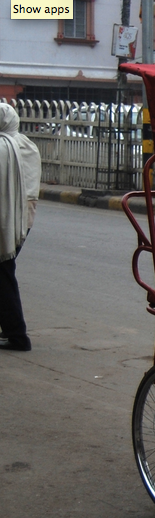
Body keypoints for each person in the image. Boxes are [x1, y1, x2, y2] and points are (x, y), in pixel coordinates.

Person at [0, 103, 41, 352]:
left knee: (3, 275)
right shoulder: (27, 145)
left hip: (5, 219)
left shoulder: (3, 147)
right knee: (5, 272)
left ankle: (17, 336)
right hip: (23, 220)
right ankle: (12, 330)